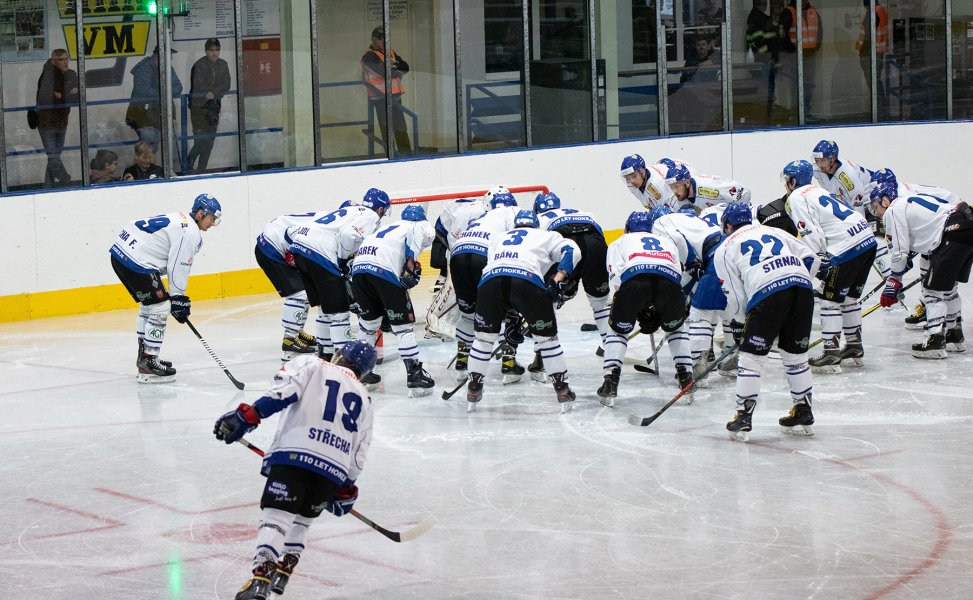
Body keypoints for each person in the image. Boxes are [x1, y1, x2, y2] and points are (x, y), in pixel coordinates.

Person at [214, 340, 377, 600]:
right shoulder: (365, 400)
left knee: (276, 519)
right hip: (332, 470)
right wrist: (346, 487)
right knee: (302, 519)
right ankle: (284, 572)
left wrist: (250, 415)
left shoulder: (313, 364)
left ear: (339, 354)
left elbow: (284, 392)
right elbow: (359, 452)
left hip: (295, 454)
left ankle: (261, 579)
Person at [715, 203, 820, 442]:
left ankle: (743, 416)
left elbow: (734, 294)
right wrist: (798, 280)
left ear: (728, 225)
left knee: (751, 357)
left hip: (767, 292)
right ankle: (803, 409)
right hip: (802, 289)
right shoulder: (774, 230)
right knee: (795, 356)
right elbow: (812, 258)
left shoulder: (725, 247)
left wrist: (742, 324)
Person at [466, 210, 581, 411]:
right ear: (535, 225)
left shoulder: (498, 237)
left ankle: (474, 387)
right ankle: (562, 389)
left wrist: (510, 310)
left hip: (489, 282)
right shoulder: (546, 235)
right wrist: (558, 278)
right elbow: (573, 251)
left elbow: (502, 273)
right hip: (526, 280)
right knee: (547, 340)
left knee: (483, 339)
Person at [109, 194, 222, 382]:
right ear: (201, 213)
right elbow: (178, 267)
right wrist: (178, 300)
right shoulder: (190, 232)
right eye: (212, 218)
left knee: (150, 306)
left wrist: (177, 299)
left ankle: (145, 357)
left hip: (120, 255)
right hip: (137, 262)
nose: (213, 223)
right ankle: (149, 362)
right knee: (161, 307)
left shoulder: (182, 220)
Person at [783, 159, 877, 373]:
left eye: (787, 180)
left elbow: (809, 232)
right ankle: (854, 346)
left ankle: (831, 352)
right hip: (867, 240)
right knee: (850, 299)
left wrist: (818, 259)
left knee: (829, 300)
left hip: (846, 247)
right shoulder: (818, 190)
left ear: (794, 180)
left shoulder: (796, 197)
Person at [870, 181, 972, 358]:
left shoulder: (892, 211)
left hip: (952, 232)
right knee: (948, 291)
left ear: (885, 200)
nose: (876, 213)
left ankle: (935, 341)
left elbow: (899, 250)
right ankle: (954, 335)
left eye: (875, 207)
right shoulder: (910, 200)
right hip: (966, 226)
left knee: (932, 292)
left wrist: (894, 280)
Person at [598, 211, 690, 406]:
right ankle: (686, 376)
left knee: (618, 330)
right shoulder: (666, 241)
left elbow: (615, 276)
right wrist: (658, 309)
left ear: (627, 228)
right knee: (676, 328)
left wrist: (636, 308)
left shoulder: (619, 242)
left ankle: (610, 382)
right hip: (670, 284)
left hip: (634, 280)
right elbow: (677, 272)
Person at [289, 189, 389, 361]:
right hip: (319, 253)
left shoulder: (353, 210)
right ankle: (344, 363)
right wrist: (342, 260)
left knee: (325, 311)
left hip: (300, 248)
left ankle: (325, 355)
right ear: (381, 209)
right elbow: (349, 235)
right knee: (340, 313)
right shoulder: (371, 217)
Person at [351, 205, 437, 395]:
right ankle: (414, 374)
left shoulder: (385, 227)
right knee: (403, 327)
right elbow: (412, 250)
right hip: (383, 273)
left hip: (358, 272)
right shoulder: (419, 226)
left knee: (368, 325)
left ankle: (362, 371)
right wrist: (410, 268)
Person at [448, 188, 521, 382]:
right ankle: (509, 363)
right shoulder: (514, 211)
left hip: (458, 255)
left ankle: (462, 361)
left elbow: (452, 239)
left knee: (467, 314)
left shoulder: (478, 217)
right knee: (506, 310)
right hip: (485, 255)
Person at [534, 192, 612, 349]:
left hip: (565, 241)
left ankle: (544, 353)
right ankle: (611, 348)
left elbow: (541, 255)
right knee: (600, 303)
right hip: (596, 245)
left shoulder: (539, 220)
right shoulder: (582, 212)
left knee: (548, 299)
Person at [256, 211, 330, 361]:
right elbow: (292, 239)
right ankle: (290, 339)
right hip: (270, 248)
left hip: (274, 242)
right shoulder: (325, 231)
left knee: (306, 290)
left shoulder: (330, 222)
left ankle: (297, 332)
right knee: (300, 294)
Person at [811, 140, 890, 277]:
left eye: (822, 160)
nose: (819, 164)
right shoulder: (818, 170)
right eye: (817, 160)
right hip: (850, 205)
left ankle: (890, 277)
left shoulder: (848, 176)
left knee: (872, 237)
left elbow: (858, 208)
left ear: (832, 158)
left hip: (872, 202)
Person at [361, 26, 412, 155]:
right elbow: (386, 73)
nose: (386, 43)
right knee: (387, 130)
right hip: (380, 99)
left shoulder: (391, 52)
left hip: (395, 98)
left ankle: (406, 156)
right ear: (374, 40)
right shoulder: (369, 57)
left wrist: (393, 66)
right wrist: (395, 67)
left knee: (401, 128)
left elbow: (406, 67)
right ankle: (391, 157)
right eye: (383, 40)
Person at [35, 48, 78, 188]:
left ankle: (47, 186)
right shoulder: (47, 75)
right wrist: (67, 94)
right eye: (61, 59)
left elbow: (77, 96)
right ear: (53, 61)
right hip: (46, 124)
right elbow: (47, 99)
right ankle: (66, 180)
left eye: (66, 59)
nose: (65, 62)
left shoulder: (71, 74)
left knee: (54, 156)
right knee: (53, 156)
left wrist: (61, 95)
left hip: (62, 123)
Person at [187, 38, 231, 174]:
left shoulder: (223, 64)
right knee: (201, 142)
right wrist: (209, 92)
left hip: (214, 107)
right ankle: (187, 167)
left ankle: (201, 170)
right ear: (206, 51)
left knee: (209, 142)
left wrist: (214, 92)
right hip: (198, 108)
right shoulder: (199, 65)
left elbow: (226, 84)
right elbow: (198, 85)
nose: (214, 53)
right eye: (212, 50)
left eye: (217, 50)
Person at [126, 46, 183, 148]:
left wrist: (164, 93)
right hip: (143, 114)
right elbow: (143, 91)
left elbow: (178, 87)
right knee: (148, 148)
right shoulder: (144, 68)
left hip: (161, 113)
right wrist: (165, 93)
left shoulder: (167, 67)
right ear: (158, 55)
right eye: (168, 56)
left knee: (164, 146)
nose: (170, 59)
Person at [780, 0, 821, 116]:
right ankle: (799, 113)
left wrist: (815, 47)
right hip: (795, 55)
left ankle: (806, 112)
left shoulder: (813, 11)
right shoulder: (789, 12)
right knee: (797, 83)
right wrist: (792, 50)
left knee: (808, 83)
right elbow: (783, 34)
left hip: (809, 54)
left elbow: (819, 30)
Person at [665, 164, 752, 212]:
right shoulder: (677, 199)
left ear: (687, 182)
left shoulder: (709, 188)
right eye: (671, 187)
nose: (674, 191)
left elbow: (745, 192)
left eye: (676, 186)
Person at [856, 0, 888, 118]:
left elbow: (869, 34)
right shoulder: (878, 11)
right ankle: (880, 110)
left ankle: (880, 111)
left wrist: (863, 50)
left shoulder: (874, 12)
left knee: (874, 84)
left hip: (871, 53)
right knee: (875, 83)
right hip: (874, 52)